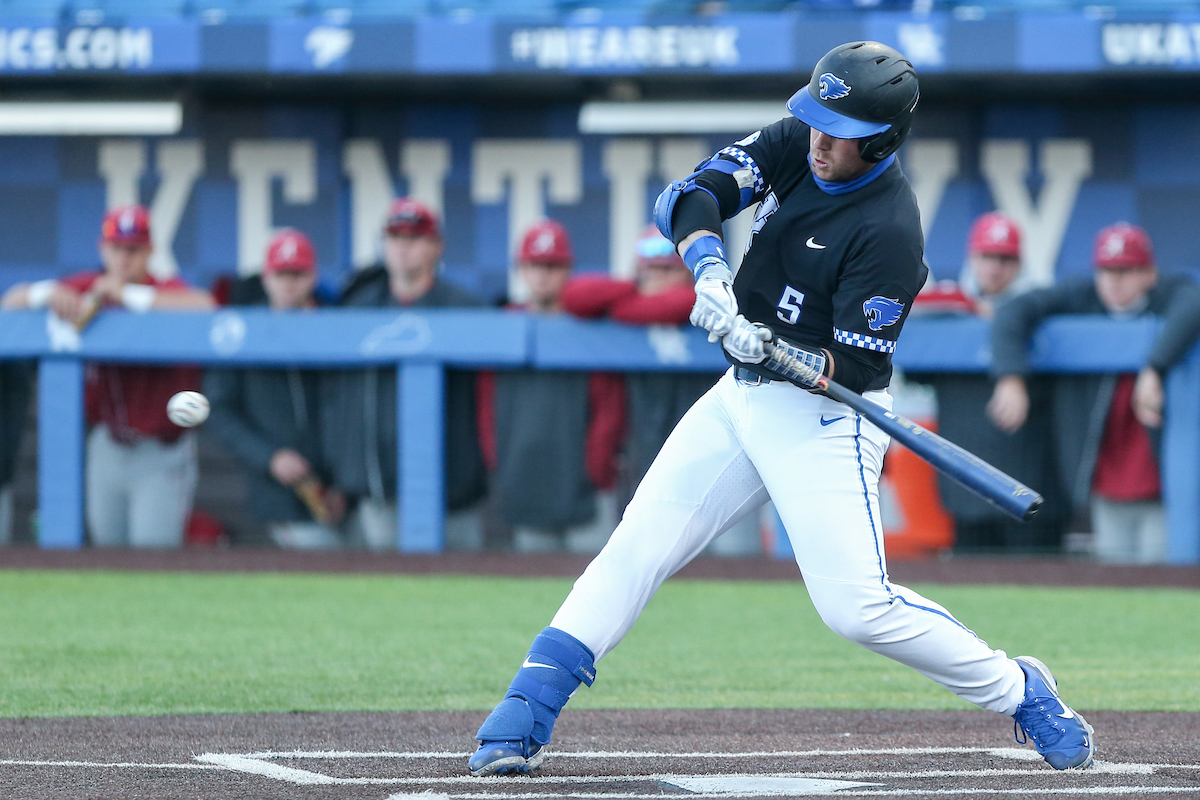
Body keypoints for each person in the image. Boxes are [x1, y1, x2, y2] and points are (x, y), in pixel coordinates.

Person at [465, 41, 1094, 778]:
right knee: (634, 550)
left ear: (883, 142)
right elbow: (690, 196)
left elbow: (853, 365)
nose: (821, 142)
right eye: (817, 123)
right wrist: (707, 271)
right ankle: (523, 714)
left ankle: (1021, 689)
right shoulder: (802, 137)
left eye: (841, 134)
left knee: (856, 610)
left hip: (824, 418)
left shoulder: (890, 230)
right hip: (738, 400)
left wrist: (773, 347)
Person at [1, 205, 214, 547]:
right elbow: (10, 303)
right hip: (107, 445)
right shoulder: (90, 287)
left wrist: (128, 296)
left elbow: (206, 307)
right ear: (103, 250)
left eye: (134, 250)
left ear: (150, 251)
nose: (124, 259)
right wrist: (46, 293)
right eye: (117, 249)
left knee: (152, 556)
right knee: (107, 553)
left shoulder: (163, 289)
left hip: (160, 451)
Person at [990, 222, 1200, 564]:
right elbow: (1014, 311)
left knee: (1164, 580)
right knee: (1114, 583)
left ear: (1148, 274)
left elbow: (1193, 303)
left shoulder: (1169, 294)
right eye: (1106, 269)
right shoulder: (1083, 296)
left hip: (1163, 487)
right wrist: (1011, 377)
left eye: (1126, 270)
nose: (1114, 280)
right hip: (1106, 483)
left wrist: (1155, 368)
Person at [560, 226, 760, 556]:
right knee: (651, 567)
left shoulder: (716, 302)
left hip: (723, 467)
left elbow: (682, 302)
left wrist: (631, 304)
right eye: (647, 271)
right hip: (650, 465)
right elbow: (574, 296)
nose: (656, 278)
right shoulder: (629, 301)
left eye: (666, 269)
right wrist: (633, 290)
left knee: (735, 565)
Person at [319, 197, 487, 550]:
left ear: (436, 246)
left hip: (454, 489)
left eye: (414, 237)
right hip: (383, 488)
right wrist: (341, 474)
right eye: (395, 237)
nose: (403, 247)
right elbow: (339, 400)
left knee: (466, 589)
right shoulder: (360, 308)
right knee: (391, 593)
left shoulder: (465, 308)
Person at [909, 212, 1068, 553]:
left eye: (1005, 259)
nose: (995, 268)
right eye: (987, 257)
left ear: (1019, 263)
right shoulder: (945, 314)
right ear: (972, 258)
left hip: (1032, 486)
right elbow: (914, 373)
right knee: (973, 586)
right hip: (967, 486)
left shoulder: (1042, 308)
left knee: (1042, 591)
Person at [476, 220, 625, 553]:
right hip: (525, 479)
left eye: (553, 265)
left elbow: (609, 409)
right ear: (521, 270)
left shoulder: (589, 325)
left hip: (585, 488)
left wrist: (597, 473)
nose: (543, 274)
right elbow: (487, 406)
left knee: (595, 591)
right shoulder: (503, 326)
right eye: (534, 265)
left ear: (568, 270)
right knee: (536, 590)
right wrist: (498, 463)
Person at [203, 229, 346, 549]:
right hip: (276, 489)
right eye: (281, 273)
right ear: (266, 277)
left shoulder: (338, 326)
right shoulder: (244, 329)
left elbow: (349, 410)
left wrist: (347, 483)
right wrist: (270, 457)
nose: (289, 282)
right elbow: (221, 410)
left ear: (314, 276)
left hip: (340, 489)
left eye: (298, 273)